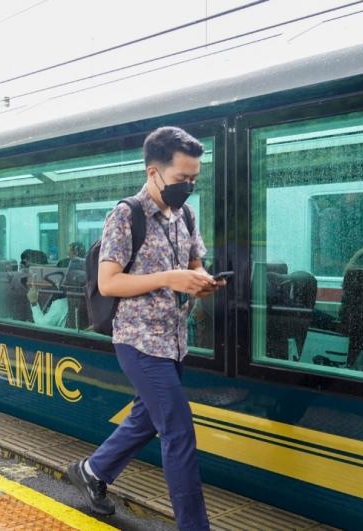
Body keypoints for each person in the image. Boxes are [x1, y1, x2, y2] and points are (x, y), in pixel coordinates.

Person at [67, 127, 224, 530]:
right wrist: (167, 279)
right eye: (181, 179)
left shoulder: (185, 214)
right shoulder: (126, 215)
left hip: (174, 342)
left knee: (146, 418)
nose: (188, 186)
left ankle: (92, 471)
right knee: (178, 431)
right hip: (138, 342)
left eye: (194, 179)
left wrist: (201, 281)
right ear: (154, 172)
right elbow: (109, 283)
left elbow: (193, 264)